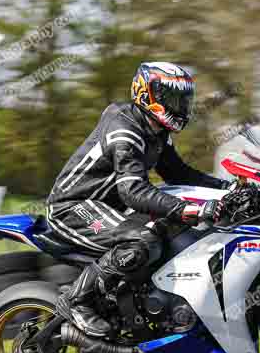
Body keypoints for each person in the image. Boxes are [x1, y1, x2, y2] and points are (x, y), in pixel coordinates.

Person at [46, 62, 230, 336]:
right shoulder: (125, 129)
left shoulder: (156, 130)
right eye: (172, 98)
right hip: (73, 207)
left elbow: (178, 173)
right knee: (141, 242)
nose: (179, 105)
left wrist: (226, 188)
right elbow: (131, 191)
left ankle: (141, 307)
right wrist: (188, 209)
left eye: (183, 99)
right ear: (147, 94)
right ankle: (76, 301)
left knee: (169, 229)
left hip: (107, 208)